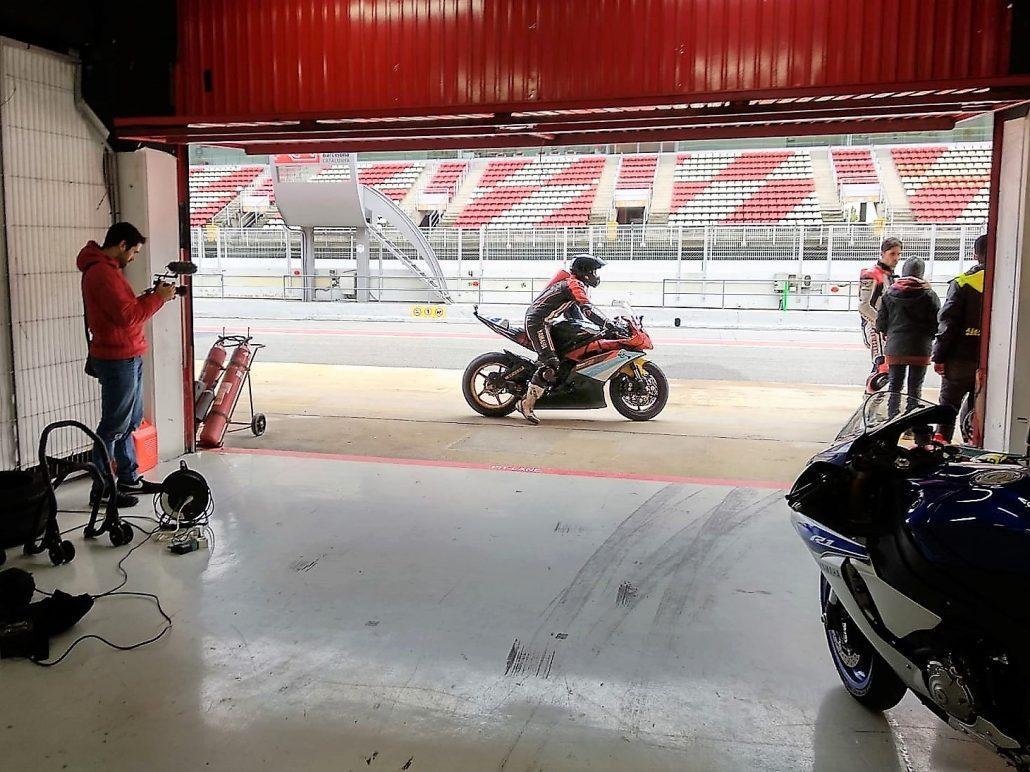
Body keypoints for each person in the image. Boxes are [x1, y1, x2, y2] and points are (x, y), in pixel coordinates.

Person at [78, 222, 178, 506]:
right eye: (133, 251)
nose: (133, 257)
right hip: (117, 358)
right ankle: (103, 488)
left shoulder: (108, 270)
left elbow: (125, 310)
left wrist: (150, 298)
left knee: (130, 421)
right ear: (122, 245)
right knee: (113, 426)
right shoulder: (102, 273)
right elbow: (128, 317)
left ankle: (128, 478)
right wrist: (157, 299)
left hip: (128, 354)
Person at [517, 254, 613, 425]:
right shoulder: (574, 284)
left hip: (544, 322)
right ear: (584, 272)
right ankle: (526, 404)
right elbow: (587, 309)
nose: (595, 276)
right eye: (593, 272)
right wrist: (607, 323)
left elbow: (573, 313)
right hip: (538, 322)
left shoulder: (571, 283)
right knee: (551, 363)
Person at [932, 234, 987, 443]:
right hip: (990, 362)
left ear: (974, 255)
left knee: (947, 410)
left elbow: (948, 324)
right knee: (978, 413)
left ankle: (940, 447)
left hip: (958, 359)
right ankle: (972, 447)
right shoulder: (1004, 282)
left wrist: (939, 357)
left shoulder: (962, 282)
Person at [876, 257, 940, 430]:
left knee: (895, 386)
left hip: (895, 347)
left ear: (904, 272)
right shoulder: (930, 295)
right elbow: (937, 323)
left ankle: (892, 423)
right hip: (921, 347)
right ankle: (912, 427)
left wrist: (889, 334)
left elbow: (880, 323)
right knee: (915, 389)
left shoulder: (889, 293)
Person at [859, 237, 902, 393]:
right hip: (874, 327)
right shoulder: (871, 274)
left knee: (886, 369)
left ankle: (872, 400)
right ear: (882, 253)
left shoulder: (891, 276)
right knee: (882, 368)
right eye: (892, 254)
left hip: (888, 328)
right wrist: (881, 324)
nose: (896, 258)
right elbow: (863, 306)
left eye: (899, 254)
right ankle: (869, 400)